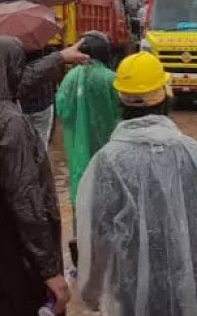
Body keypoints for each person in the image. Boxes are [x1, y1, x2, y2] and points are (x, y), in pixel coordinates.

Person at [77, 52, 197, 316]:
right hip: (189, 282)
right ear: (165, 94)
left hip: (132, 287)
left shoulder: (109, 159)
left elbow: (100, 232)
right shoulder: (190, 151)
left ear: (120, 98)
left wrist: (91, 286)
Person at [0, 35, 70, 316]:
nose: (20, 72)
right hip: (17, 266)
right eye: (17, 66)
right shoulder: (10, 124)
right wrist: (49, 270)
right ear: (5, 69)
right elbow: (26, 203)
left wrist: (58, 59)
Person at [55, 32, 121, 265]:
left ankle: (81, 262)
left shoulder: (69, 79)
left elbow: (61, 112)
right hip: (108, 162)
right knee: (110, 216)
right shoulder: (111, 79)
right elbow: (122, 115)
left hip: (77, 162)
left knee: (80, 209)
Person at [19, 40, 90, 147]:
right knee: (41, 144)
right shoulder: (48, 52)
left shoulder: (12, 52)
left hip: (22, 104)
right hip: (42, 103)